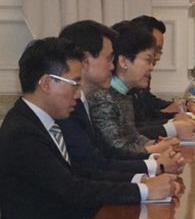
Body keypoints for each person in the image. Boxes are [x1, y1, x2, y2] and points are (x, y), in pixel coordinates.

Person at [0, 38, 179, 219]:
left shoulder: (43, 121)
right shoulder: (22, 132)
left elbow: (83, 172)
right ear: (46, 83)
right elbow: (71, 188)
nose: (77, 92)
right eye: (73, 83)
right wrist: (144, 191)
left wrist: (142, 181)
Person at [57, 20, 185, 175]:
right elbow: (98, 163)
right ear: (85, 61)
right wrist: (156, 162)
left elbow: (109, 151)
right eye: (109, 59)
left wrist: (154, 157)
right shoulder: (77, 105)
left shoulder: (85, 101)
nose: (112, 66)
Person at [88, 22, 178, 158]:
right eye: (148, 60)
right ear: (123, 61)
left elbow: (132, 136)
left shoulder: (124, 93)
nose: (151, 68)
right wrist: (157, 148)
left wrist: (153, 142)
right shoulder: (103, 98)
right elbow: (117, 149)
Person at [130, 15, 195, 139]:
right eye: (154, 51)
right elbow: (135, 128)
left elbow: (150, 103)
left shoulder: (141, 75)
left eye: (160, 51)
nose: (157, 57)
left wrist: (186, 105)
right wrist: (171, 120)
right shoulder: (122, 86)